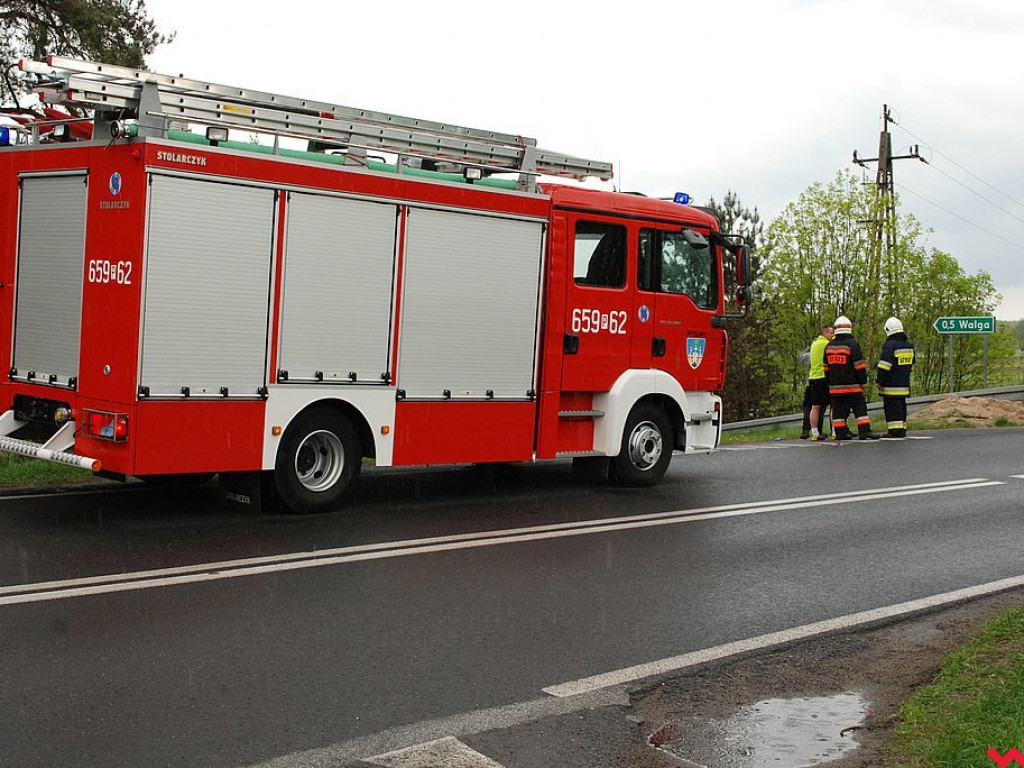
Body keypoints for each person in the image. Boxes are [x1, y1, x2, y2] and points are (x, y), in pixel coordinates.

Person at [823, 316, 880, 440]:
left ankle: (840, 433)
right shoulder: (852, 344)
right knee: (859, 408)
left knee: (838, 411)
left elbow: (826, 368)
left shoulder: (829, 346)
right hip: (852, 386)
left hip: (835, 387)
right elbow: (859, 365)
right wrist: (863, 381)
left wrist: (829, 383)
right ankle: (864, 431)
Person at [877, 316, 915, 438]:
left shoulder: (890, 346)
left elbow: (884, 366)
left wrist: (880, 381)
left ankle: (894, 430)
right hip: (904, 384)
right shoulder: (909, 345)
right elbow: (912, 362)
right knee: (901, 406)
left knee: (892, 408)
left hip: (891, 385)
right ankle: (901, 428)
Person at [800, 325, 834, 439]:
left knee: (815, 407)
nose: (833, 335)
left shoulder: (814, 344)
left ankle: (814, 432)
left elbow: (803, 357)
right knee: (833, 406)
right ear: (825, 333)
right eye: (831, 333)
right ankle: (835, 431)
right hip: (824, 377)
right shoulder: (827, 344)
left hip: (813, 379)